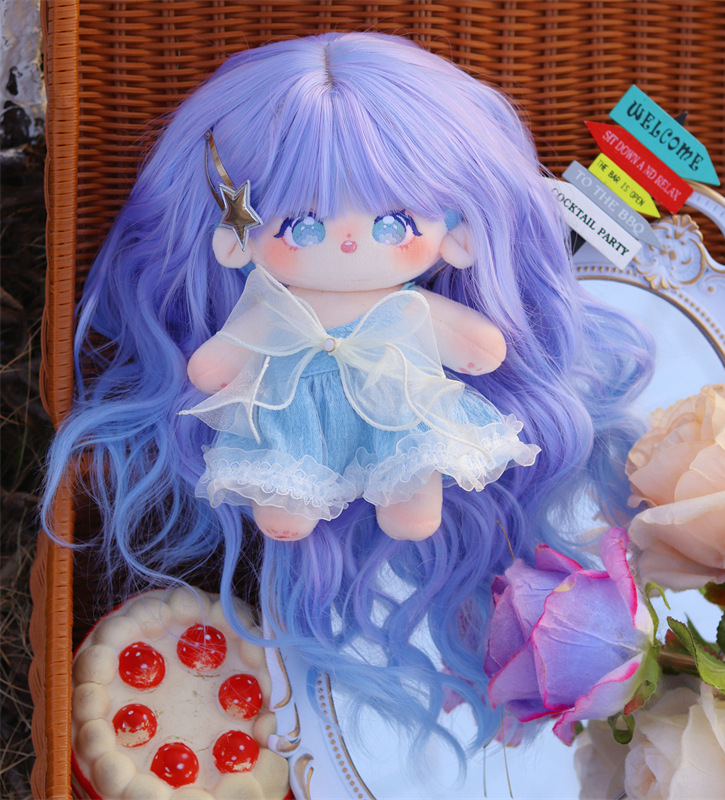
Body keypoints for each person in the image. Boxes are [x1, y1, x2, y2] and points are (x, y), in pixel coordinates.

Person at [43, 32, 652, 754]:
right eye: (302, 225)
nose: (353, 245)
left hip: (399, 415)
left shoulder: (410, 308)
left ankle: (407, 500)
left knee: (412, 462)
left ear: (457, 232)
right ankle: (290, 505)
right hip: (297, 421)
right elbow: (213, 366)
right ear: (234, 238)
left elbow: (481, 347)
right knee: (284, 471)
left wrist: (478, 345)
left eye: (394, 223)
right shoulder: (272, 310)